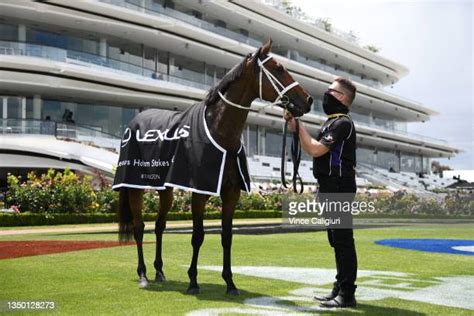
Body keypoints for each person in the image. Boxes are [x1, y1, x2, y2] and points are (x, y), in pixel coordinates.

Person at [285, 77, 358, 308]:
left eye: (331, 91)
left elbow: (315, 150)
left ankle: (347, 293)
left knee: (343, 240)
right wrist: (296, 126)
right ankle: (340, 286)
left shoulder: (342, 123)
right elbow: (311, 148)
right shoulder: (330, 123)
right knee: (336, 240)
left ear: (342, 98)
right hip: (328, 186)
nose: (326, 94)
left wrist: (300, 127)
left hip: (339, 186)